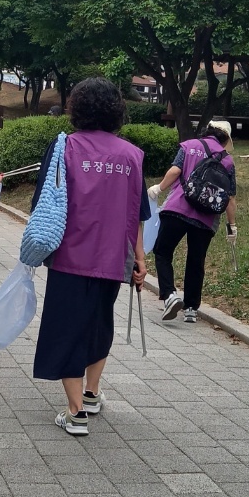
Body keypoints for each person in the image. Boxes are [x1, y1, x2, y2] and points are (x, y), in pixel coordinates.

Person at [32, 77, 148, 436]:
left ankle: (75, 411)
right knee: (99, 324)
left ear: (77, 107)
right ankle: (92, 392)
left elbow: (43, 201)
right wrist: (140, 260)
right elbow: (139, 212)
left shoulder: (65, 146)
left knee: (67, 327)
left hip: (70, 255)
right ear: (116, 109)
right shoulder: (132, 155)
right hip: (114, 258)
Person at [147, 120, 237, 323]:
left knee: (163, 251)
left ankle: (170, 295)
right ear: (225, 139)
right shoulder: (228, 161)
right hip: (206, 218)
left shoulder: (189, 146)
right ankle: (191, 309)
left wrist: (159, 188)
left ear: (208, 130)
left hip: (178, 208)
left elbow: (175, 171)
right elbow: (230, 199)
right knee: (196, 261)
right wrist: (232, 227)